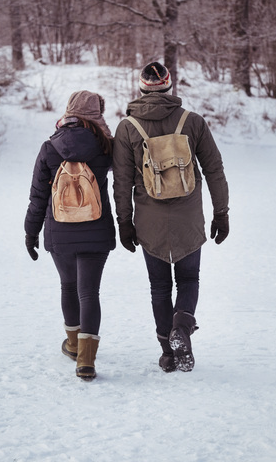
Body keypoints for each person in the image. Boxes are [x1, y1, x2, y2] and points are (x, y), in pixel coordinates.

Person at [112, 62, 229, 373]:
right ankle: (183, 326)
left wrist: (124, 222)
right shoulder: (193, 122)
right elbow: (214, 169)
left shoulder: (127, 128)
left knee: (159, 287)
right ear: (169, 86)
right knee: (189, 278)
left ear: (141, 88)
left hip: (150, 221)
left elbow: (122, 182)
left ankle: (167, 351)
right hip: (189, 216)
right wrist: (221, 213)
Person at [24, 90, 116, 380]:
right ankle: (86, 361)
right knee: (89, 292)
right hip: (96, 228)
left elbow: (38, 197)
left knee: (68, 286)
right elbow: (123, 182)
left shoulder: (50, 147)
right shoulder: (106, 147)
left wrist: (31, 232)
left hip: (59, 229)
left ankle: (74, 344)